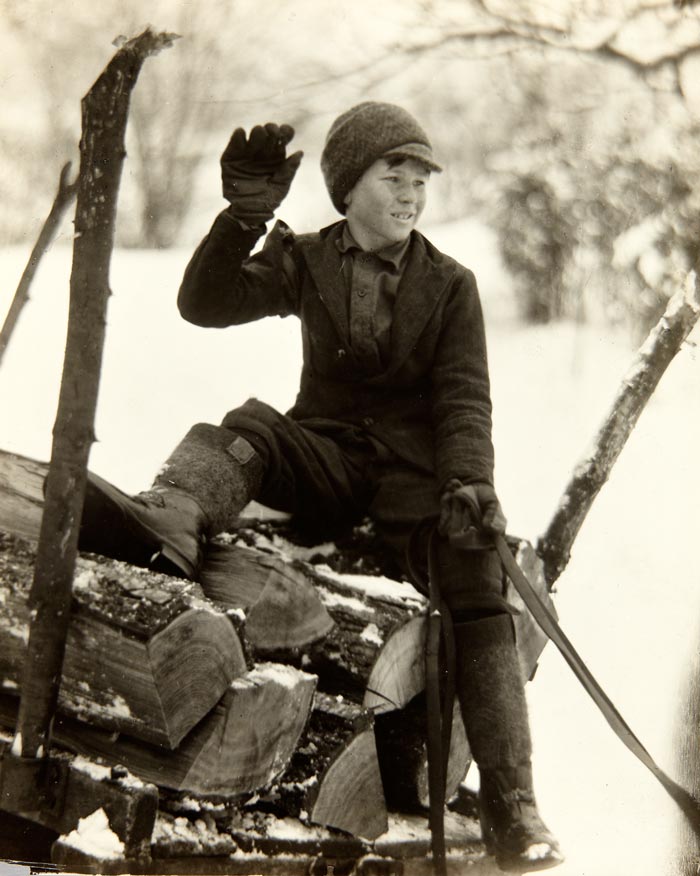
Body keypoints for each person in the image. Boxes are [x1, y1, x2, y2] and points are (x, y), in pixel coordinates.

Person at [79, 101, 563, 872]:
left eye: (420, 181)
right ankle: (167, 520)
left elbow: (465, 398)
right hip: (329, 459)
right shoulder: (307, 260)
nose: (410, 194)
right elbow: (204, 305)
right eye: (392, 176)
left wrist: (470, 483)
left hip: (418, 484)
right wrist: (242, 219)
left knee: (476, 582)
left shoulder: (451, 285)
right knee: (246, 424)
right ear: (347, 187)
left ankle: (515, 805)